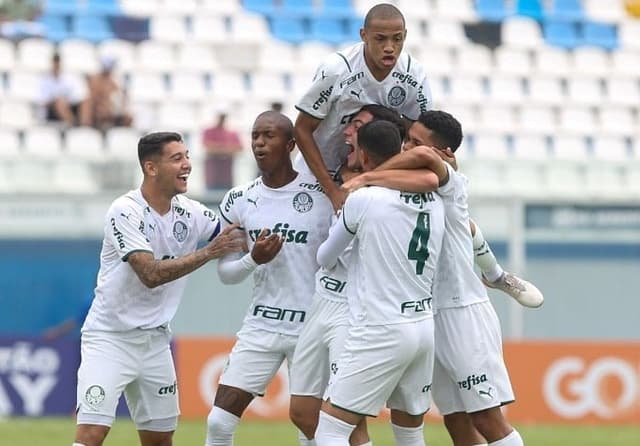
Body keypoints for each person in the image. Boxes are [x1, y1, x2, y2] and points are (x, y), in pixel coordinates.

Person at [73, 132, 245, 446]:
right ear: (151, 168)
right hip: (110, 338)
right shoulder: (125, 211)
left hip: (155, 341)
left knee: (160, 440)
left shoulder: (190, 212)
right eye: (177, 158)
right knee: (90, 436)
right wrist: (208, 252)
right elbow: (149, 274)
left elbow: (238, 234)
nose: (188, 165)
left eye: (188, 156)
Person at [370, 111, 527, 446]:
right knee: (456, 423)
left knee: (487, 418)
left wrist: (363, 178)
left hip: (463, 313)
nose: (407, 148)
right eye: (406, 139)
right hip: (427, 317)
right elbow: (471, 232)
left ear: (445, 154)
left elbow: (428, 162)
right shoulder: (402, 189)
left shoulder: (452, 185)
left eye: (416, 142)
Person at [288, 104, 421, 446]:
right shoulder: (338, 182)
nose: (346, 132)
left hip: (354, 305)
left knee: (346, 421)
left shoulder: (384, 193)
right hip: (323, 299)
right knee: (303, 412)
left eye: (357, 126)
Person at [205, 111, 333, 446]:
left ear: (291, 144)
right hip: (262, 325)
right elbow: (226, 274)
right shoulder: (238, 199)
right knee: (219, 421)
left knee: (311, 427)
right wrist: (253, 259)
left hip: (311, 328)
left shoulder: (321, 195)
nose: (260, 143)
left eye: (269, 136)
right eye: (255, 136)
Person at [314, 120, 445, 446]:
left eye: (354, 149)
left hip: (380, 327)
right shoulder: (437, 199)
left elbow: (325, 257)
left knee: (330, 430)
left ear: (365, 156)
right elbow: (432, 175)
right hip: (423, 325)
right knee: (410, 431)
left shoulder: (364, 199)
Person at [294, 3, 432, 211]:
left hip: (370, 179)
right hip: (317, 178)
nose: (389, 47)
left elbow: (419, 137)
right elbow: (302, 129)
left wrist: (375, 176)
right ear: (363, 35)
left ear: (405, 35)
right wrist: (332, 189)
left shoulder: (414, 75)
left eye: (397, 38)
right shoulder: (337, 70)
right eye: (380, 38)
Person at [39, 53, 91, 127]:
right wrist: (57, 100)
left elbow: (78, 95)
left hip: (68, 106)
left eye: (58, 62)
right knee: (59, 102)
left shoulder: (69, 78)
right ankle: (73, 125)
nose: (56, 65)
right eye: (55, 62)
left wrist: (66, 99)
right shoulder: (44, 80)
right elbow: (42, 102)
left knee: (86, 101)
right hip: (51, 112)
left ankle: (85, 126)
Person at [87, 55, 133, 132]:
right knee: (103, 110)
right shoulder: (95, 80)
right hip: (99, 109)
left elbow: (120, 97)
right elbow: (93, 99)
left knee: (128, 117)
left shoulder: (114, 80)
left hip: (112, 109)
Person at [201, 110, 243, 190]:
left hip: (227, 176)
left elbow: (240, 148)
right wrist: (228, 149)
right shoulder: (209, 131)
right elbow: (208, 148)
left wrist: (217, 148)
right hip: (212, 176)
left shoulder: (232, 133)